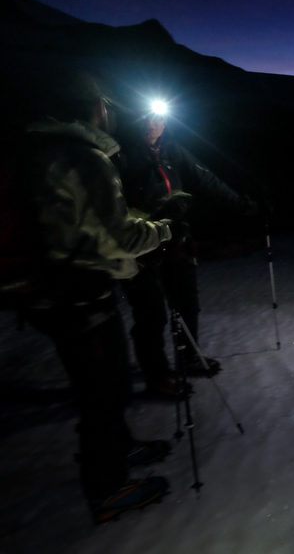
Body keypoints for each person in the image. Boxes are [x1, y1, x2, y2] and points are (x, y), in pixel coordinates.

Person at [19, 72, 174, 523]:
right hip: (80, 293)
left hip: (54, 289)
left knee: (103, 387)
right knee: (103, 394)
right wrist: (163, 230)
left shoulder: (41, 150)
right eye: (103, 104)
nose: (108, 111)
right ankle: (106, 489)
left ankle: (119, 451)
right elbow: (119, 234)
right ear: (90, 108)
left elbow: (83, 220)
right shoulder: (84, 156)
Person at [118, 103, 255, 397]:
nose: (151, 124)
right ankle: (157, 374)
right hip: (141, 245)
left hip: (176, 238)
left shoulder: (173, 151)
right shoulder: (122, 155)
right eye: (145, 117)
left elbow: (207, 180)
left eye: (157, 118)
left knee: (187, 302)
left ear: (165, 122)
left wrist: (243, 205)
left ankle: (189, 357)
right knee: (150, 313)